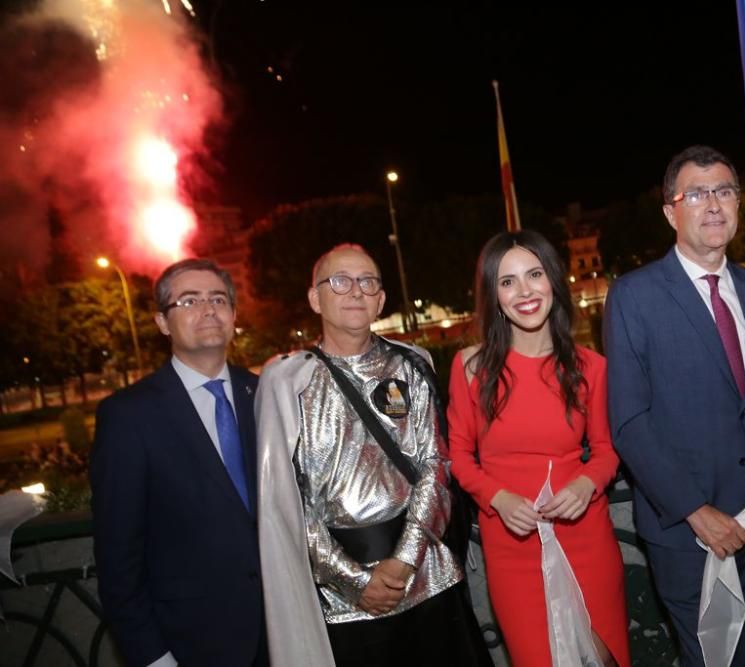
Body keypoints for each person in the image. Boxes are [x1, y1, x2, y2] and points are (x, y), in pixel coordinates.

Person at [604, 145, 745, 666]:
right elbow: (630, 421)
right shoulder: (634, 296)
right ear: (671, 212)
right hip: (688, 536)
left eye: (724, 191)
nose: (714, 204)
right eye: (696, 193)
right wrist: (696, 511)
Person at [255, 244, 490, 667]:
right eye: (339, 282)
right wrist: (354, 580)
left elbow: (435, 465)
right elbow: (285, 502)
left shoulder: (411, 366)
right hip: (343, 597)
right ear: (315, 298)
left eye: (368, 282)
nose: (355, 292)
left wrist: (404, 560)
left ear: (381, 299)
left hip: (426, 574)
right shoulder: (288, 381)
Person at [448, 229, 630, 666]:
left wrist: (587, 484)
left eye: (535, 274)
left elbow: (607, 449)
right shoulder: (470, 367)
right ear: (493, 295)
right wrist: (497, 497)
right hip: (511, 545)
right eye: (507, 281)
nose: (524, 291)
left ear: (553, 281)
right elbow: (457, 455)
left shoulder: (592, 367)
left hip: (585, 534)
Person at [90, 259, 266, 667]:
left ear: (234, 315)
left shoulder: (265, 395)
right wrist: (152, 656)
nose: (207, 309)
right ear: (162, 323)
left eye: (218, 299)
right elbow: (118, 555)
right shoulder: (128, 416)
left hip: (282, 632)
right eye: (188, 300)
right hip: (191, 643)